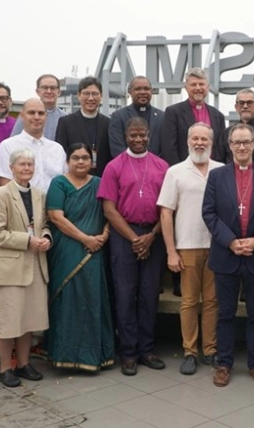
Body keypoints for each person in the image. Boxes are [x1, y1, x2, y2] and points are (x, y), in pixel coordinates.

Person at [202, 123, 254, 388]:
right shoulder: (216, 176)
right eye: (237, 143)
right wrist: (231, 242)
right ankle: (224, 363)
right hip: (226, 255)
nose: (242, 147)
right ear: (229, 145)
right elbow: (209, 213)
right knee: (225, 313)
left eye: (246, 142)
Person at [99, 117, 169, 376]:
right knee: (126, 295)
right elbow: (109, 208)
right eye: (133, 135)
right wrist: (134, 239)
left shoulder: (162, 166)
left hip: (154, 233)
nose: (138, 140)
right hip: (124, 235)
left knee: (150, 295)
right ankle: (128, 352)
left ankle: (147, 350)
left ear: (149, 135)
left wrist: (151, 236)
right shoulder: (114, 166)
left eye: (143, 135)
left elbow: (167, 207)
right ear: (125, 136)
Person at [157, 123, 224, 375]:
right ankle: (189, 351)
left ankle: (210, 349)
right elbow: (166, 213)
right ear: (187, 142)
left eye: (204, 139)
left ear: (211, 143)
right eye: (195, 138)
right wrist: (171, 251)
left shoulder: (221, 170)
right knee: (188, 302)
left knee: (212, 302)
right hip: (186, 246)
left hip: (217, 246)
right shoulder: (175, 172)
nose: (199, 143)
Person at [0, 148, 52, 387]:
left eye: (30, 165)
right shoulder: (0, 194)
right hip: (10, 268)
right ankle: (5, 368)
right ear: (11, 168)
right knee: (7, 321)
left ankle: (23, 364)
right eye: (22, 164)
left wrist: (45, 237)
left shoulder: (39, 194)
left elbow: (44, 224)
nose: (26, 168)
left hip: (35, 265)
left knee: (28, 320)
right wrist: (27, 241)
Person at [46, 143, 115, 371]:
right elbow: (56, 217)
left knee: (92, 299)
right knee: (69, 301)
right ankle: (65, 354)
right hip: (68, 249)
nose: (81, 162)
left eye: (85, 157)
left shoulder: (98, 183)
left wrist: (104, 235)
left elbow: (109, 211)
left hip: (96, 249)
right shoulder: (59, 183)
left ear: (91, 161)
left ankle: (95, 355)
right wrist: (86, 239)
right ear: (68, 161)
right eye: (75, 157)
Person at [0, 98, 67, 192]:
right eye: (31, 113)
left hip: (54, 205)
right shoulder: (8, 146)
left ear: (46, 116)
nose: (36, 117)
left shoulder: (57, 149)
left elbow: (65, 182)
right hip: (21, 205)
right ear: (22, 116)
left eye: (41, 113)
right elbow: (4, 184)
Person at [161, 68, 227, 166]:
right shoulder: (173, 113)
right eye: (193, 84)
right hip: (184, 172)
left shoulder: (218, 116)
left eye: (201, 84)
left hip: (212, 172)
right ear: (186, 87)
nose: (198, 88)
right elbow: (169, 148)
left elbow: (221, 149)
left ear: (208, 87)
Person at [55, 76, 112, 177]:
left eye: (95, 94)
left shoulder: (108, 123)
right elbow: (60, 155)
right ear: (79, 95)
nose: (91, 98)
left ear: (101, 96)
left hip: (102, 180)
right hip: (74, 181)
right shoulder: (66, 122)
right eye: (86, 93)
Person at [218, 89, 254, 168]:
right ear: (236, 107)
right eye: (241, 103)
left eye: (249, 103)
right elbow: (220, 162)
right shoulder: (226, 133)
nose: (245, 106)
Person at [110, 76, 164, 157]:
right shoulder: (118, 116)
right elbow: (117, 149)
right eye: (138, 89)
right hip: (128, 167)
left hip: (156, 167)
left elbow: (166, 147)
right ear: (130, 91)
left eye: (146, 89)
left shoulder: (162, 116)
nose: (142, 92)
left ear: (151, 91)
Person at [11, 74, 66, 140]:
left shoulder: (65, 118)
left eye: (53, 88)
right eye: (45, 88)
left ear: (59, 92)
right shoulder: (26, 116)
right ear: (37, 91)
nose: (49, 91)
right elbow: (14, 141)